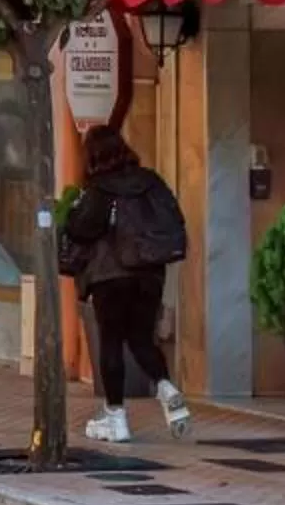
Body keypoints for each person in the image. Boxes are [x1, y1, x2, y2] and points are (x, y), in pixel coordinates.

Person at [60, 124, 194, 444]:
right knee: (141, 339)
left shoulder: (100, 190)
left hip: (111, 275)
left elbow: (82, 230)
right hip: (149, 273)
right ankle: (166, 387)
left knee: (111, 342)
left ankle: (116, 418)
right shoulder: (151, 182)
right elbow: (174, 219)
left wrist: (72, 213)